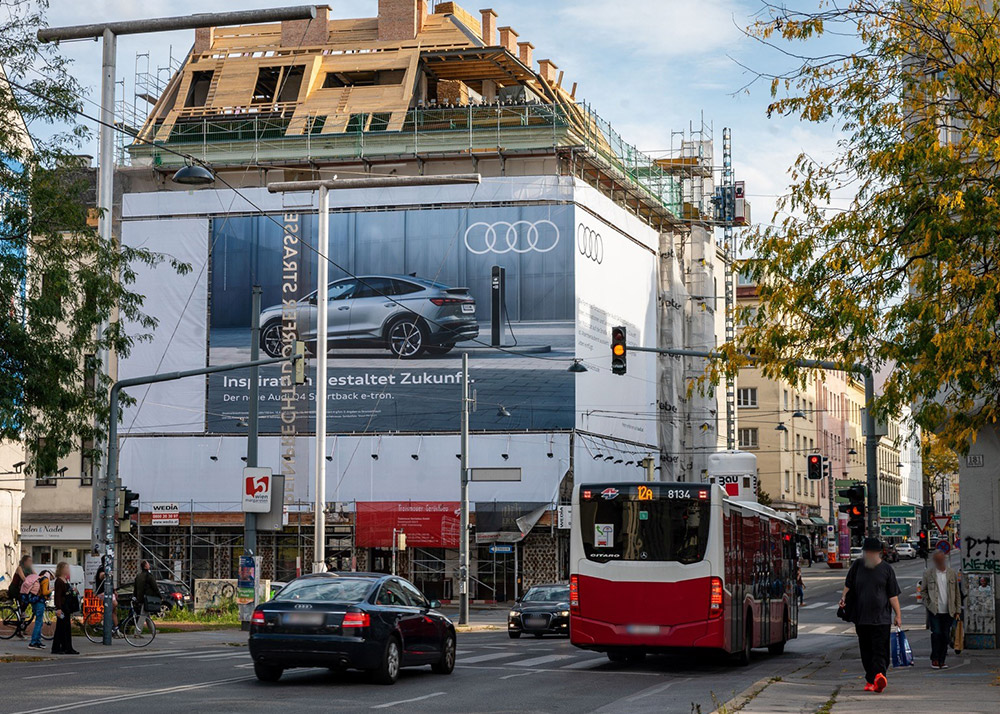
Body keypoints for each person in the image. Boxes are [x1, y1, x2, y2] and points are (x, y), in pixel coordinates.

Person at [839, 537, 902, 693]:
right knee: (866, 650)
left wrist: (898, 615)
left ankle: (880, 676)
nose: (868, 554)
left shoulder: (887, 569)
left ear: (878, 553)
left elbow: (893, 595)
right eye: (866, 552)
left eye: (871, 552)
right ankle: (871, 679)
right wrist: (843, 599)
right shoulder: (858, 566)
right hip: (861, 617)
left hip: (882, 618)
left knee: (880, 650)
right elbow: (848, 585)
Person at [923, 549, 962, 669]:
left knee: (945, 635)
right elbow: (923, 591)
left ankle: (942, 659)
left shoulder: (951, 573)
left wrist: (957, 609)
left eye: (941, 559)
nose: (940, 561)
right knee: (936, 634)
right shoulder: (929, 574)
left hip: (948, 610)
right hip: (934, 610)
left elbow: (956, 592)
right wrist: (928, 603)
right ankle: (935, 659)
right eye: (937, 559)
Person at [21, 568, 52, 650]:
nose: (52, 579)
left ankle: (37, 641)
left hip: (34, 601)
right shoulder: (45, 579)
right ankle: (34, 642)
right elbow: (45, 592)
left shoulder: (39, 578)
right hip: (39, 602)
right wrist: (52, 589)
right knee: (38, 622)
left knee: (39, 622)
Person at [51, 562, 79, 655]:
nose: (68, 570)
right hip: (62, 607)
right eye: (66, 568)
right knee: (61, 627)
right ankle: (57, 647)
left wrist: (74, 591)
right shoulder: (59, 581)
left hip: (67, 607)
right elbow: (58, 596)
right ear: (62, 569)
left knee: (66, 627)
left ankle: (66, 647)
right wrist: (58, 608)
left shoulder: (66, 580)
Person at [133, 560, 161, 630]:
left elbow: (135, 587)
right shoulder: (149, 576)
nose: (149, 565)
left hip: (140, 597)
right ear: (145, 566)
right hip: (147, 598)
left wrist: (135, 596)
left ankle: (153, 630)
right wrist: (160, 596)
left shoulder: (139, 576)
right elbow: (155, 587)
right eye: (148, 564)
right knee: (143, 615)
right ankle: (137, 632)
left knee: (147, 615)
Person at [94, 563, 118, 631]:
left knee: (114, 611)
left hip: (109, 591)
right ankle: (105, 620)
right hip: (102, 592)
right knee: (114, 604)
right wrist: (105, 573)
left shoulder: (109, 569)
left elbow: (110, 582)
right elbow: (101, 576)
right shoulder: (101, 569)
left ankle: (116, 629)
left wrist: (114, 590)